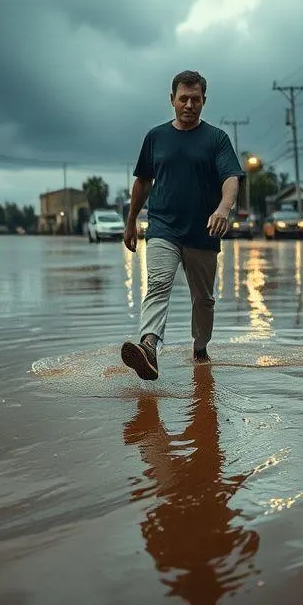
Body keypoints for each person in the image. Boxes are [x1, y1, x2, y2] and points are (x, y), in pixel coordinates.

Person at [120, 70, 244, 381]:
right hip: (162, 227)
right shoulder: (156, 137)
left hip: (203, 232)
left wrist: (223, 208)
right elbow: (143, 181)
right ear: (172, 100)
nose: (189, 105)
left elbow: (231, 178)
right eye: (183, 99)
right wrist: (131, 221)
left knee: (203, 299)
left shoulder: (217, 139)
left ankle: (200, 347)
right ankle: (149, 346)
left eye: (196, 99)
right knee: (158, 285)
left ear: (204, 101)